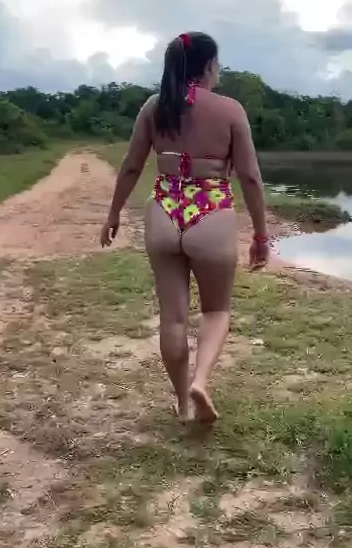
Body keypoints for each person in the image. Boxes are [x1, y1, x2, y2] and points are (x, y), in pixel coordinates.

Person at [100, 32, 269, 424]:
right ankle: (201, 382)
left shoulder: (154, 107)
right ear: (208, 65)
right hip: (210, 212)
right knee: (216, 310)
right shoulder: (230, 110)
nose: (219, 69)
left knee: (172, 318)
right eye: (217, 63)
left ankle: (182, 404)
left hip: (164, 210)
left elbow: (131, 165)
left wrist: (113, 214)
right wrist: (261, 235)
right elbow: (250, 177)